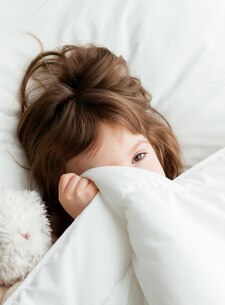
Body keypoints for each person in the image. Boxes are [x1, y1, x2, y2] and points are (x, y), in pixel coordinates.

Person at [17, 44, 183, 238]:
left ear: (156, 147)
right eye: (108, 177)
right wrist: (91, 221)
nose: (135, 183)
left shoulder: (193, 194)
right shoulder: (84, 239)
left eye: (139, 156)